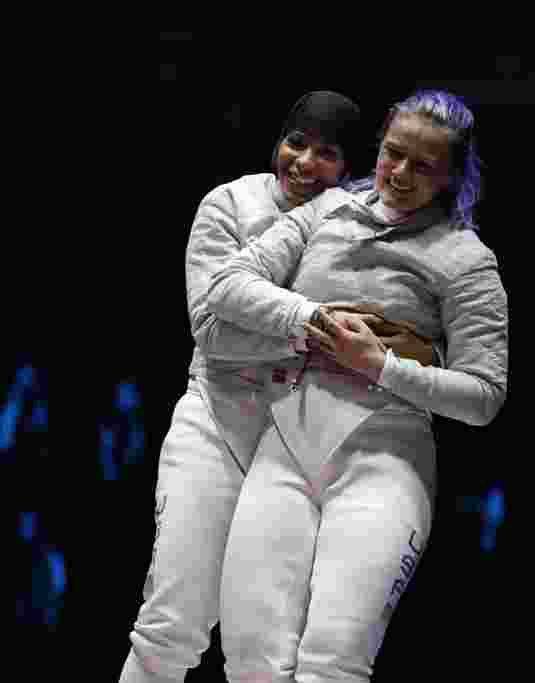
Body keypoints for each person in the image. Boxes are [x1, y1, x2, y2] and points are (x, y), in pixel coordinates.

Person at [119, 91, 437, 683]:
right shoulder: (230, 204)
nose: (304, 162)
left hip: (291, 445)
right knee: (174, 625)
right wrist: (318, 331)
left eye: (327, 153)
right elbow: (212, 330)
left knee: (267, 658)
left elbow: (393, 325)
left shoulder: (355, 225)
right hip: (215, 427)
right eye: (296, 143)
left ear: (350, 165)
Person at [206, 89, 508, 682]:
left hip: (385, 458)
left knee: (332, 664)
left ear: (451, 177)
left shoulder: (467, 260)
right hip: (286, 445)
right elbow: (226, 285)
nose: (399, 174)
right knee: (250, 664)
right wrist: (312, 319)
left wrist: (381, 365)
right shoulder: (327, 212)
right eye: (393, 154)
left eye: (423, 166)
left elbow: (483, 395)